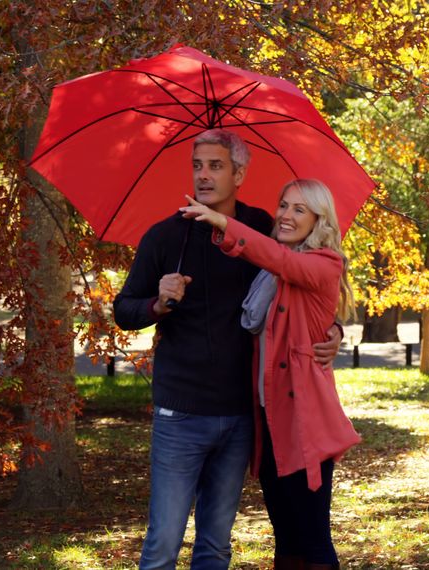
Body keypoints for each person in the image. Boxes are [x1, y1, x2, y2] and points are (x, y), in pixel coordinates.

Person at [113, 130, 342, 570]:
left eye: (215, 165)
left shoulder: (262, 231)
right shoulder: (164, 237)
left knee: (216, 546)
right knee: (163, 544)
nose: (203, 175)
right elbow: (123, 310)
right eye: (197, 165)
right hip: (180, 411)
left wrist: (332, 330)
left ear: (239, 174)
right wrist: (157, 304)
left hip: (242, 415)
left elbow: (302, 284)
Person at [180, 179, 362, 570]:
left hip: (303, 422)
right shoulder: (271, 270)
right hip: (269, 420)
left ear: (319, 220)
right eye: (283, 205)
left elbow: (286, 265)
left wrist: (224, 222)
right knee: (286, 537)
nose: (285, 215)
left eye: (299, 209)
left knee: (313, 539)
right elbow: (270, 265)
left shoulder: (322, 263)